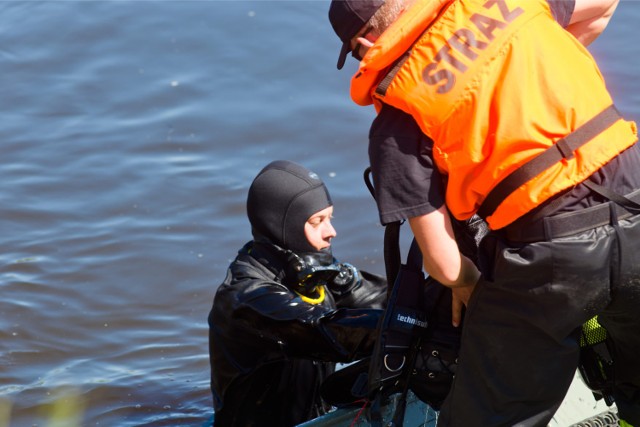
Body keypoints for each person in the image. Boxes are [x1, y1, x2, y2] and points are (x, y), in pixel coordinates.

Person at [328, 0, 640, 426]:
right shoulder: (511, 4)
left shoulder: (399, 115)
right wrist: (523, 76)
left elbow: (441, 261)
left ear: (365, 43)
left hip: (553, 253)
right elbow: (603, 6)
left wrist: (469, 285)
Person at [208, 160, 388, 426]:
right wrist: (406, 328)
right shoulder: (246, 300)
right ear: (284, 226)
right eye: (317, 221)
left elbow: (384, 297)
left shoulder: (315, 273)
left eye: (330, 218)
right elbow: (327, 331)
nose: (332, 232)